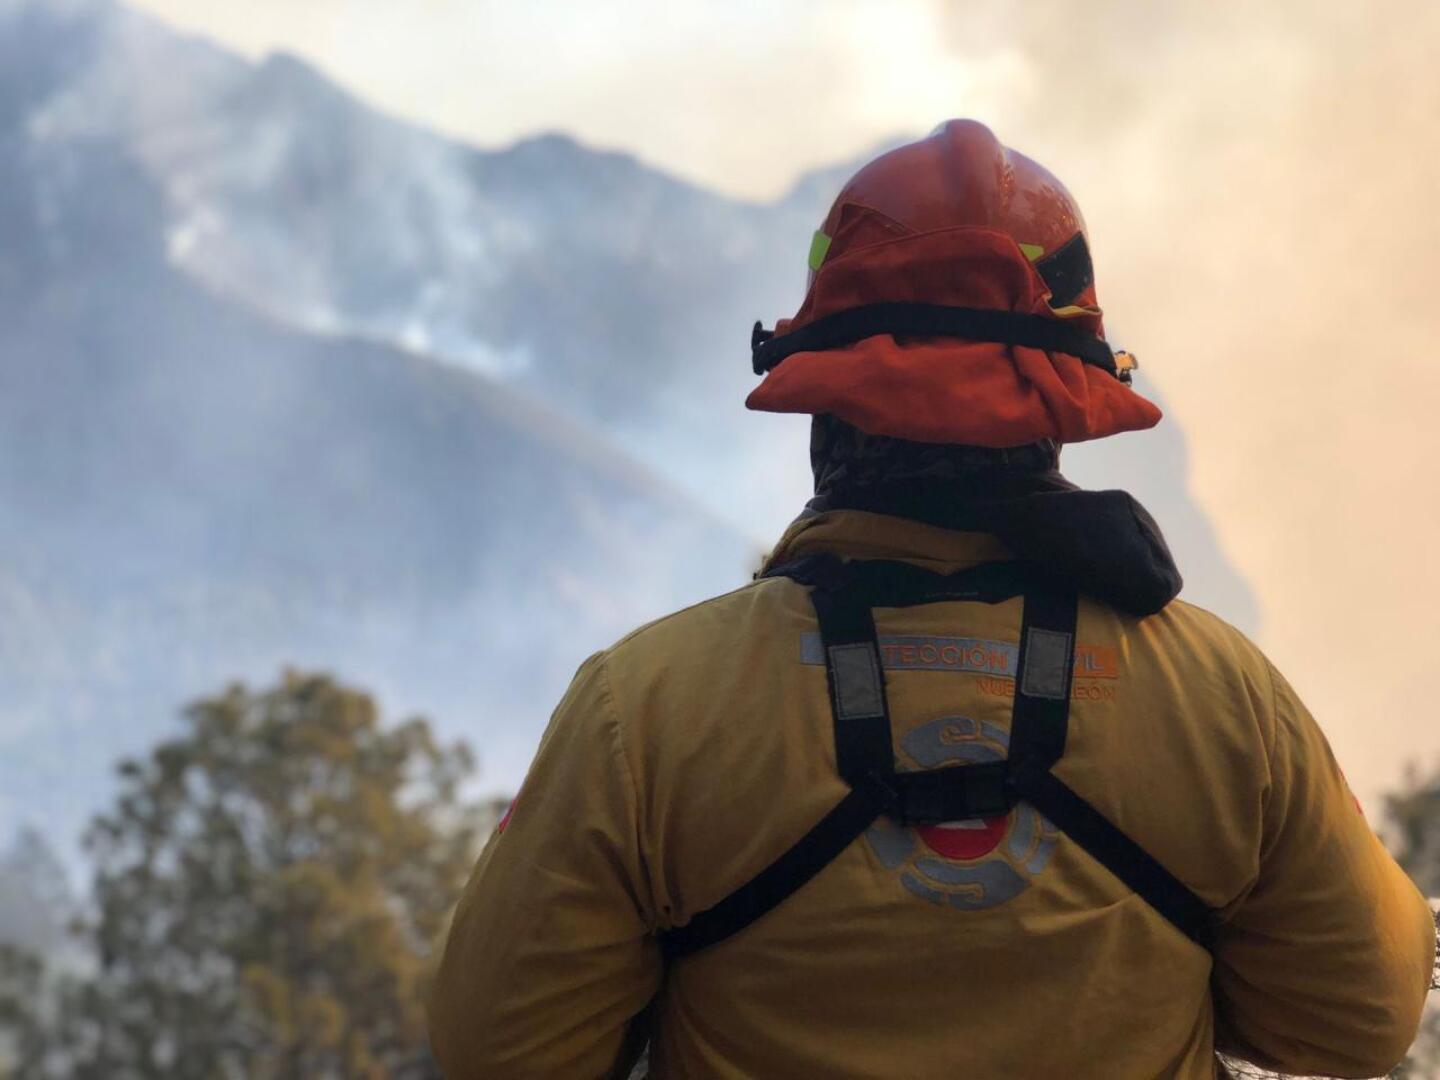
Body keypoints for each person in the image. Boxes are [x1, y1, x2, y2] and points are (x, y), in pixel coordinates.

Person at [428, 120, 1436, 1079]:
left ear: (822, 406)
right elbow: (1354, 1018)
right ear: (1062, 411)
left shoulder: (644, 711)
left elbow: (502, 1051)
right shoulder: (1224, 700)